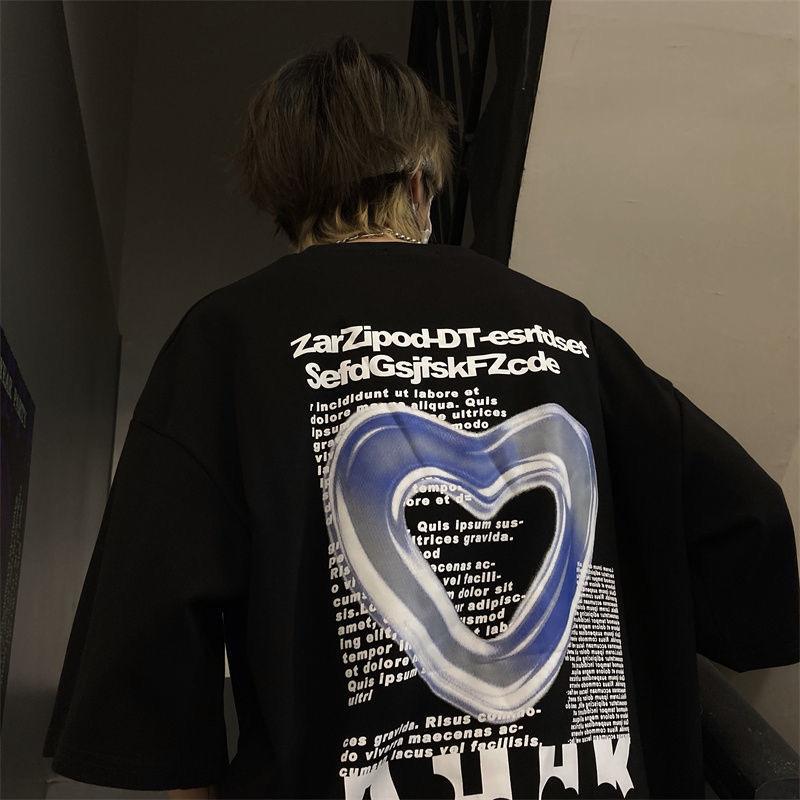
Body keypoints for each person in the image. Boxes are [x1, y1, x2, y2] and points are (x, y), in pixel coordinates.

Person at [42, 34, 798, 800]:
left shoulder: (228, 340)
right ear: (419, 183)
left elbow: (152, 632)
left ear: (284, 200)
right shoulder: (567, 332)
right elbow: (748, 522)